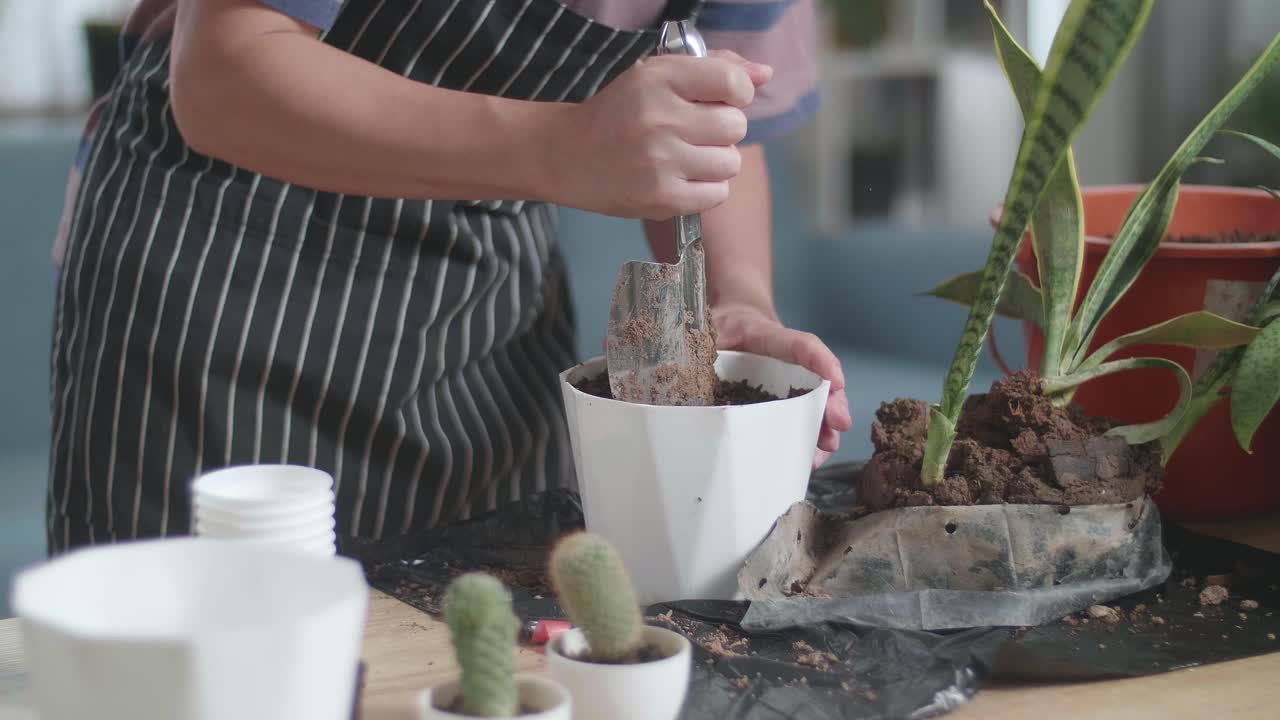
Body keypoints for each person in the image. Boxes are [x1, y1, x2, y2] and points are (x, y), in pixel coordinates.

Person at [48, 0, 852, 552]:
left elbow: (718, 114)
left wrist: (733, 302)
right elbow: (224, 77)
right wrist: (562, 149)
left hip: (485, 322)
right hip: (228, 277)